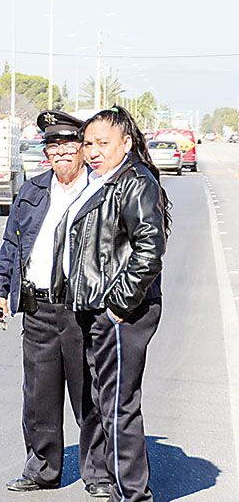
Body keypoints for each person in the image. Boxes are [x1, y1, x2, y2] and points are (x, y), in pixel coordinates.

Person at [0, 110, 110, 498]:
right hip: (39, 309)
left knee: (88, 394)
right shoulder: (33, 191)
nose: (59, 153)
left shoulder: (101, 191)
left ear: (82, 150)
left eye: (67, 146)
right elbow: (13, 244)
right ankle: (42, 469)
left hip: (82, 311)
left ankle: (99, 474)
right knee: (38, 396)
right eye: (52, 147)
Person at [60, 105, 171, 502]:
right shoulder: (102, 181)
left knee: (119, 406)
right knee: (105, 401)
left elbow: (148, 250)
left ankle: (133, 494)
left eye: (102, 143)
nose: (92, 151)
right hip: (99, 310)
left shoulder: (134, 182)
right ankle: (117, 484)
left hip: (123, 314)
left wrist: (118, 306)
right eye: (88, 143)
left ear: (125, 143)